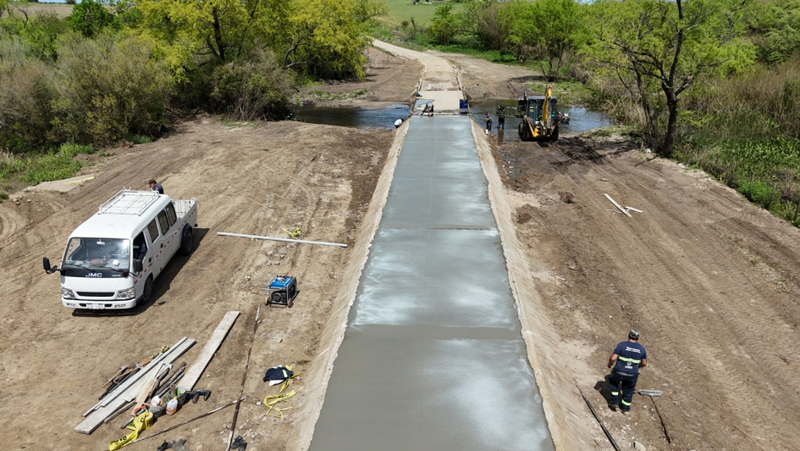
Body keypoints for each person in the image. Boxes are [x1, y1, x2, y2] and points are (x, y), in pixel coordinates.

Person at [607, 329, 647, 414]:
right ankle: (625, 409)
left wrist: (610, 364)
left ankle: (615, 402)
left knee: (613, 383)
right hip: (632, 374)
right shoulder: (641, 348)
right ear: (638, 338)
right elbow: (644, 363)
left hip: (619, 371)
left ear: (628, 335)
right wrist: (637, 367)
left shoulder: (622, 345)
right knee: (629, 390)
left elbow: (613, 358)